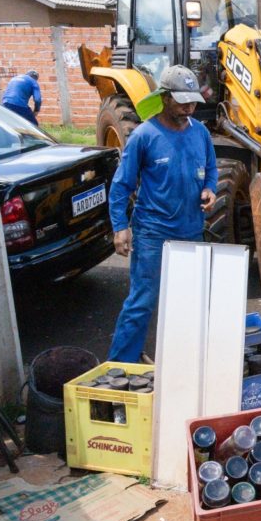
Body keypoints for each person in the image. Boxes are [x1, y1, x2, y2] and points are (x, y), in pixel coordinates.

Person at [107, 65, 218, 362]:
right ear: (165, 98)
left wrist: (210, 189)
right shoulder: (144, 136)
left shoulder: (201, 133)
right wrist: (120, 226)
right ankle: (121, 367)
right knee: (142, 301)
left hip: (191, 230)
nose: (189, 107)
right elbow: (121, 186)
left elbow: (211, 169)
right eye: (182, 101)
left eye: (193, 101)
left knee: (188, 302)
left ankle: (179, 362)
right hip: (153, 233)